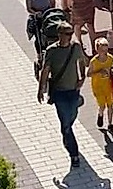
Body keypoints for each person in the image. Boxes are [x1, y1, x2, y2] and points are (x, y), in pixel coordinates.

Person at [36, 21, 88, 168]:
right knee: (66, 124)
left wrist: (82, 77)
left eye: (71, 33)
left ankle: (66, 136)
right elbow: (45, 70)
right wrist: (41, 89)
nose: (70, 36)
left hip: (74, 91)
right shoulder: (52, 51)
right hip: (59, 93)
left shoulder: (75, 47)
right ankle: (74, 154)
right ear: (59, 34)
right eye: (67, 33)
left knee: (72, 118)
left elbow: (82, 62)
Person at [88, 37, 113, 137]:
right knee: (102, 106)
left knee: (110, 105)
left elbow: (111, 67)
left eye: (106, 50)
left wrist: (112, 71)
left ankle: (110, 124)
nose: (104, 52)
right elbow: (88, 74)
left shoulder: (110, 58)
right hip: (98, 87)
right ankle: (100, 114)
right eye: (102, 50)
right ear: (97, 50)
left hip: (108, 85)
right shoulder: (93, 61)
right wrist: (98, 72)